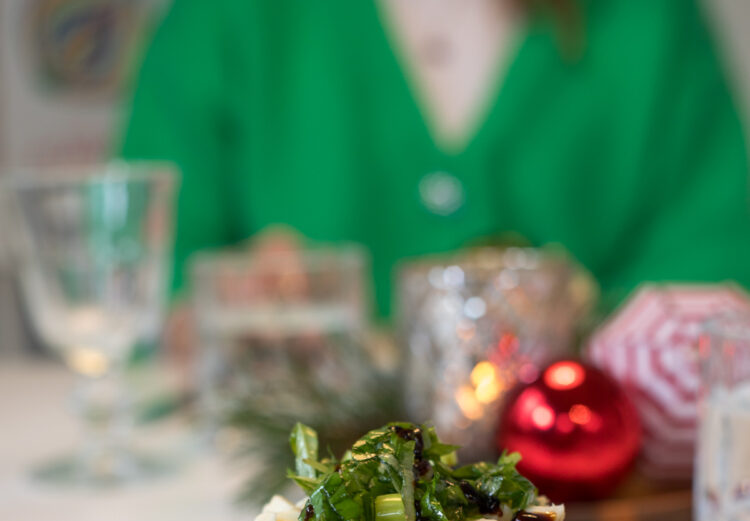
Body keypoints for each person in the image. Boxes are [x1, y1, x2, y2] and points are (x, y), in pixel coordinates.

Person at [118, 0, 750, 321]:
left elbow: (711, 292)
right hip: (264, 504)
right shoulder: (227, 21)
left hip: (590, 508)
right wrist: (228, 304)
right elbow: (134, 274)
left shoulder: (648, 23)